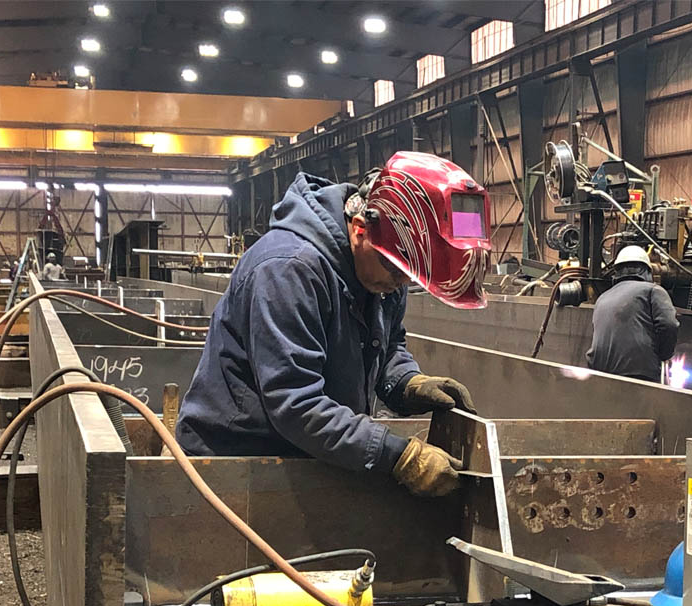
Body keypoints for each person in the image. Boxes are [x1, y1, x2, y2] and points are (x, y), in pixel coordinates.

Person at [176, 151, 492, 498]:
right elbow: (295, 404)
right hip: (236, 464)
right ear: (361, 230)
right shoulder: (288, 269)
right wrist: (398, 455)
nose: (400, 285)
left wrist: (408, 384)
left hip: (311, 452)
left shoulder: (382, 269)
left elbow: (385, 348)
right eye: (398, 272)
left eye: (411, 278)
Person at [587, 245, 679, 382]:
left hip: (599, 375)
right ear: (647, 271)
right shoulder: (653, 291)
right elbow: (669, 325)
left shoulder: (602, 298)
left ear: (616, 272)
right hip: (638, 375)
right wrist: (665, 355)